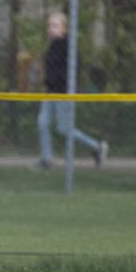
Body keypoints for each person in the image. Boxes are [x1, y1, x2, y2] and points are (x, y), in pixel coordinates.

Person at [36, 12, 108, 170]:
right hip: (50, 92)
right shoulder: (52, 45)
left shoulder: (68, 45)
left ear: (64, 28)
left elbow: (72, 69)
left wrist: (65, 87)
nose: (51, 29)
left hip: (64, 93)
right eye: (49, 25)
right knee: (42, 123)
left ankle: (97, 147)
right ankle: (47, 159)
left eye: (55, 25)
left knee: (64, 129)